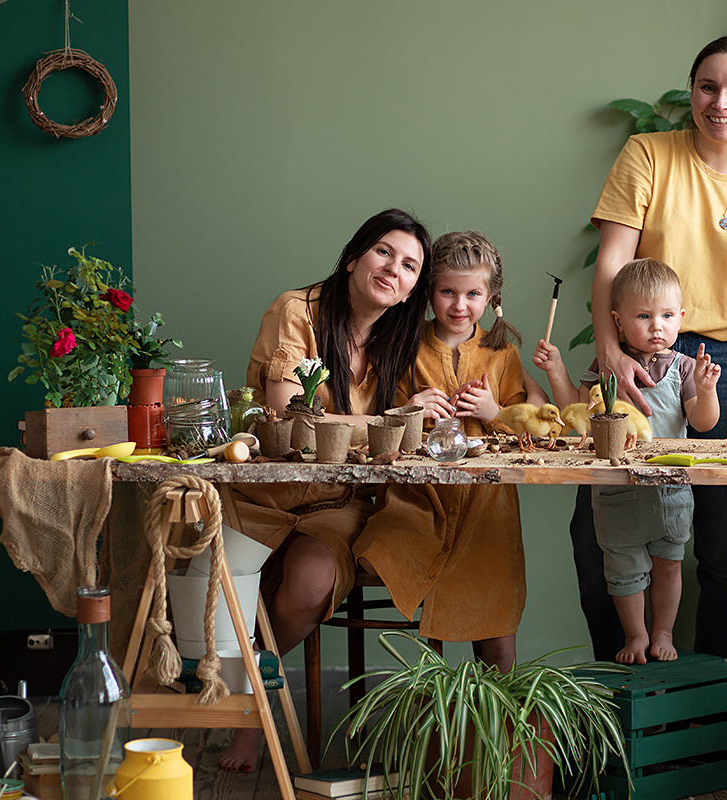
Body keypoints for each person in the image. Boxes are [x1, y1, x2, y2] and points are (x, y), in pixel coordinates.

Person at [569, 33, 727, 661]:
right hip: (635, 351)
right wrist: (610, 350)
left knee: (721, 547)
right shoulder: (647, 155)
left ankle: (711, 697)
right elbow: (612, 263)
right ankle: (619, 692)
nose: (721, 102)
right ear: (692, 93)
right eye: (708, 87)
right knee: (599, 535)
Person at [219, 208, 433, 772]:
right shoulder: (297, 311)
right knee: (208, 597)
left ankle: (253, 698)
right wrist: (389, 422)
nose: (393, 269)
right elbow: (293, 422)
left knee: (311, 581)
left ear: (412, 290)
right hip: (264, 493)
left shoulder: (398, 341)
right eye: (384, 252)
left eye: (409, 266)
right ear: (353, 257)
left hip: (338, 501)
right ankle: (233, 696)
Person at [353, 231, 547, 671]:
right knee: (380, 567)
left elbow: (529, 428)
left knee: (496, 636)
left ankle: (497, 716)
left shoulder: (502, 354)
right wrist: (409, 409)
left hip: (486, 510)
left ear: (491, 297)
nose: (460, 306)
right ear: (429, 291)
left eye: (473, 294)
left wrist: (493, 411)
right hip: (418, 502)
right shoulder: (404, 345)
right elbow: (375, 419)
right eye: (447, 292)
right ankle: (430, 711)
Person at [535, 258, 720, 664]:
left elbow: (703, 423)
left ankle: (663, 632)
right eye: (643, 316)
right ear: (617, 320)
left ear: (681, 317)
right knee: (623, 571)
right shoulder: (605, 367)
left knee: (669, 566)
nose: (657, 326)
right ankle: (636, 636)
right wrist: (556, 369)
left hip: (670, 491)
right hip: (615, 491)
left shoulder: (685, 368)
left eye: (666, 316)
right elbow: (574, 413)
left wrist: (706, 390)